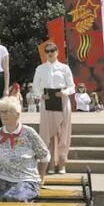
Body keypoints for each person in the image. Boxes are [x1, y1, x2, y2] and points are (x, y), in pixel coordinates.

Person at [33, 43, 75, 174]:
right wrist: (41, 95)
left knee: (64, 133)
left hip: (62, 101)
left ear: (57, 52)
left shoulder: (64, 68)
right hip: (47, 102)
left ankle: (62, 164)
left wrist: (64, 92)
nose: (50, 53)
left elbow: (72, 87)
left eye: (52, 50)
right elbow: (35, 87)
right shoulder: (40, 68)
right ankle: (50, 164)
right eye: (47, 51)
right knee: (47, 134)